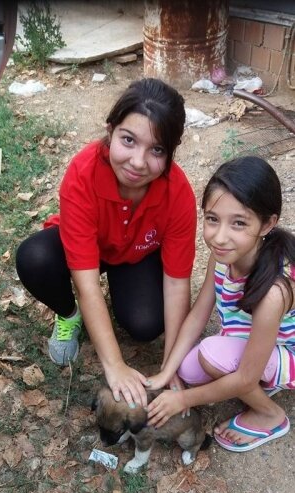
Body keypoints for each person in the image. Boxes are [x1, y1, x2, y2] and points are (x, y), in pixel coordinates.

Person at [16, 78, 197, 407]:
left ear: (171, 151)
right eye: (128, 140)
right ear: (110, 130)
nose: (138, 162)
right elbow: (87, 284)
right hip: (90, 248)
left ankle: (123, 295)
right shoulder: (83, 173)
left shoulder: (178, 193)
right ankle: (69, 315)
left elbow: (176, 283)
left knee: (145, 324)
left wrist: (173, 365)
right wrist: (115, 366)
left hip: (136, 254)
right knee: (35, 257)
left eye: (156, 149)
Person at [147, 155, 295, 452]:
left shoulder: (274, 292)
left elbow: (244, 378)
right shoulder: (221, 255)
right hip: (250, 340)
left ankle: (270, 415)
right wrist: (167, 369)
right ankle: (262, 375)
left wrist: (182, 400)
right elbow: (199, 313)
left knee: (213, 356)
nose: (220, 236)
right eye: (212, 219)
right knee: (189, 369)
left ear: (267, 224)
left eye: (238, 223)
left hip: (287, 351)